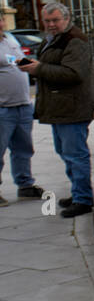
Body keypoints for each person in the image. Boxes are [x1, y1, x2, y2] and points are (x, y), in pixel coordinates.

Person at [18, 2, 94, 217]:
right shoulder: (53, 40)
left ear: (66, 19)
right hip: (60, 109)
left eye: (55, 20)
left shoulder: (75, 41)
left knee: (75, 155)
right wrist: (37, 66)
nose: (51, 24)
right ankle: (78, 194)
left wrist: (39, 68)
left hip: (73, 108)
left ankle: (83, 199)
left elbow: (73, 73)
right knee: (66, 153)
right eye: (47, 21)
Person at [0, 25, 41, 207]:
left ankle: (25, 185)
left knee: (23, 149)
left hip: (23, 105)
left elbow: (16, 61)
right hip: (3, 107)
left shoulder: (10, 39)